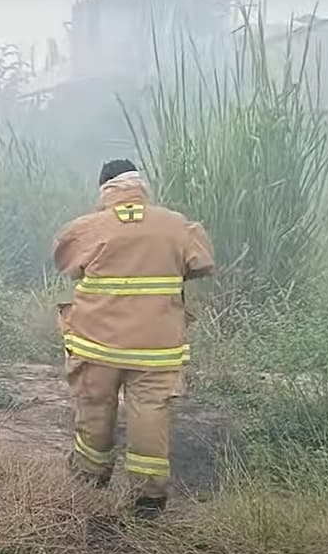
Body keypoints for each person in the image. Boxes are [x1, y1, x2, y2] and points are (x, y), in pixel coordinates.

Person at [52, 159, 215, 519]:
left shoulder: (87, 228)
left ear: (104, 188)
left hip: (97, 345)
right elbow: (202, 262)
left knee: (95, 408)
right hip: (157, 348)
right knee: (150, 413)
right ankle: (148, 499)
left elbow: (64, 261)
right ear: (140, 187)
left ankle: (90, 479)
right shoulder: (177, 226)